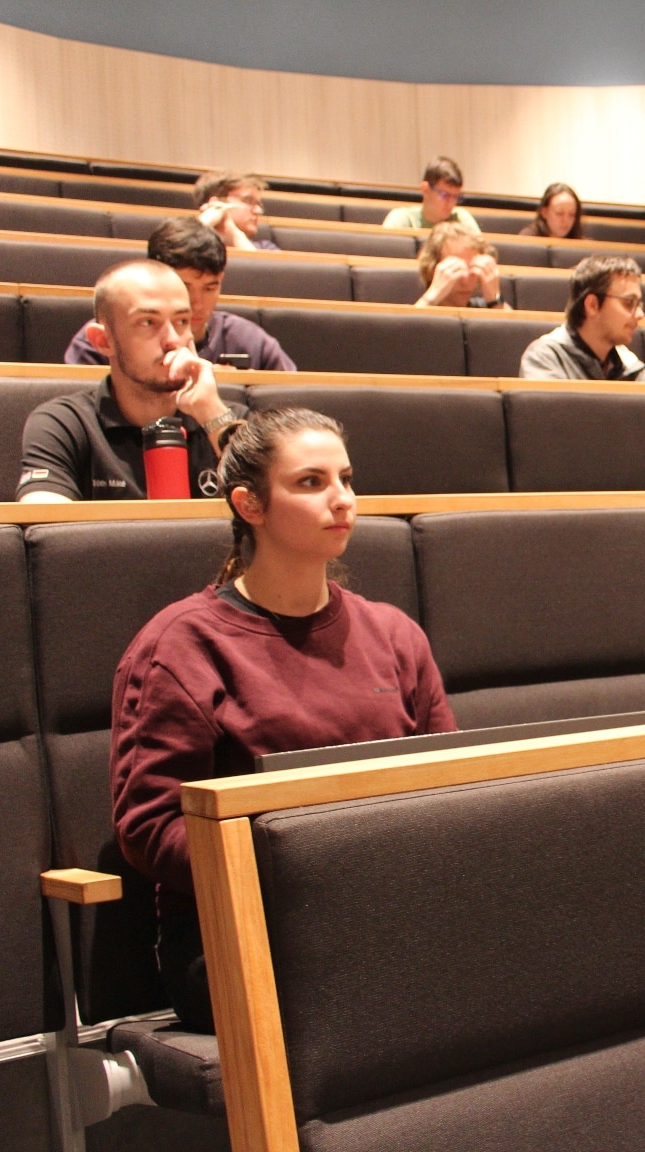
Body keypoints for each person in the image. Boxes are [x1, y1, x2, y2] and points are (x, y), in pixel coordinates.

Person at [110, 407, 457, 1033]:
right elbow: (150, 826)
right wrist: (298, 864)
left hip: (387, 906)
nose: (342, 499)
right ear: (250, 505)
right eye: (311, 482)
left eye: (346, 479)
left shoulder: (393, 633)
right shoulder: (182, 644)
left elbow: (452, 782)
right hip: (244, 932)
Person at [20, 260, 246, 502]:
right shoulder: (64, 424)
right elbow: (45, 517)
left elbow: (267, 506)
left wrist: (211, 414)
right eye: (148, 322)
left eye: (182, 321)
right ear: (103, 341)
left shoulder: (228, 418)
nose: (172, 340)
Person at [64, 218, 296, 372]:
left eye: (210, 288)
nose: (197, 304)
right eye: (185, 287)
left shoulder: (250, 340)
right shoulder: (107, 339)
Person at [519, 255, 645, 381]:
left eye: (639, 304)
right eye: (629, 303)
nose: (640, 314)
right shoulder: (545, 359)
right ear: (592, 305)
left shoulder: (631, 366)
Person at [414, 221, 509, 309]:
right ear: (432, 270)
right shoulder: (420, 305)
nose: (466, 281)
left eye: (472, 269)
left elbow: (511, 320)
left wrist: (495, 299)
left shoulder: (490, 307)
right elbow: (411, 320)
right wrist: (432, 296)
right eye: (455, 269)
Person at [382, 157, 481, 232]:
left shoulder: (460, 219)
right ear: (425, 189)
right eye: (444, 195)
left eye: (455, 197)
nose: (451, 203)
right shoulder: (403, 218)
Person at [193, 171, 279, 252]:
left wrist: (234, 234)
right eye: (248, 201)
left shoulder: (266, 247)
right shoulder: (197, 247)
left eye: (258, 204)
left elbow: (263, 263)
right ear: (216, 203)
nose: (258, 211)